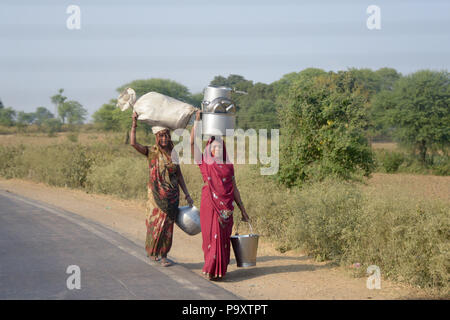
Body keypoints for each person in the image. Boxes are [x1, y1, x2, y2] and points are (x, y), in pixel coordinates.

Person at [190, 110, 249, 280]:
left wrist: (243, 209)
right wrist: (197, 120)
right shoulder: (204, 164)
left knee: (222, 239)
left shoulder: (229, 167)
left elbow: (235, 188)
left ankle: (220, 271)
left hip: (227, 208)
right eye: (213, 146)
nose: (216, 149)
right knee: (210, 237)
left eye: (219, 146)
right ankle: (210, 268)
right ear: (209, 149)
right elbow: (192, 143)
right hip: (210, 204)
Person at [131, 111, 193, 267]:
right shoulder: (151, 152)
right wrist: (134, 123)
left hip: (172, 197)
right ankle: (153, 251)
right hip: (156, 197)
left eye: (166, 135)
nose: (164, 139)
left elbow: (179, 176)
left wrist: (187, 194)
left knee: (168, 227)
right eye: (161, 136)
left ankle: (164, 255)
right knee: (156, 224)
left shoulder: (174, 154)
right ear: (156, 137)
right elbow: (133, 143)